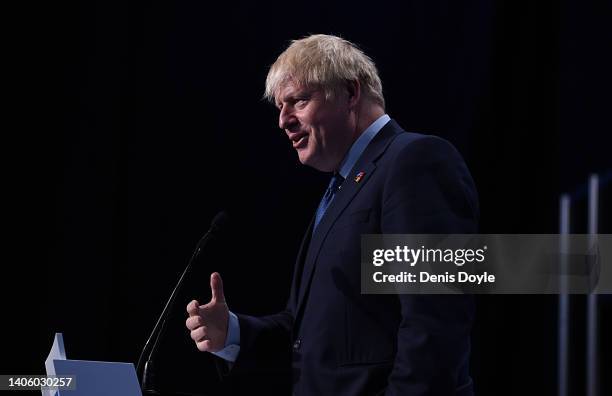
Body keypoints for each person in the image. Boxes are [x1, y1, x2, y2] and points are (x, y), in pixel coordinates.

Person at [185, 34, 479, 395]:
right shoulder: (340, 189)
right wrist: (233, 333)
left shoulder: (415, 162)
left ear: (351, 93)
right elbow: (306, 335)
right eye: (280, 107)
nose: (283, 121)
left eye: (299, 101)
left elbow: (434, 322)